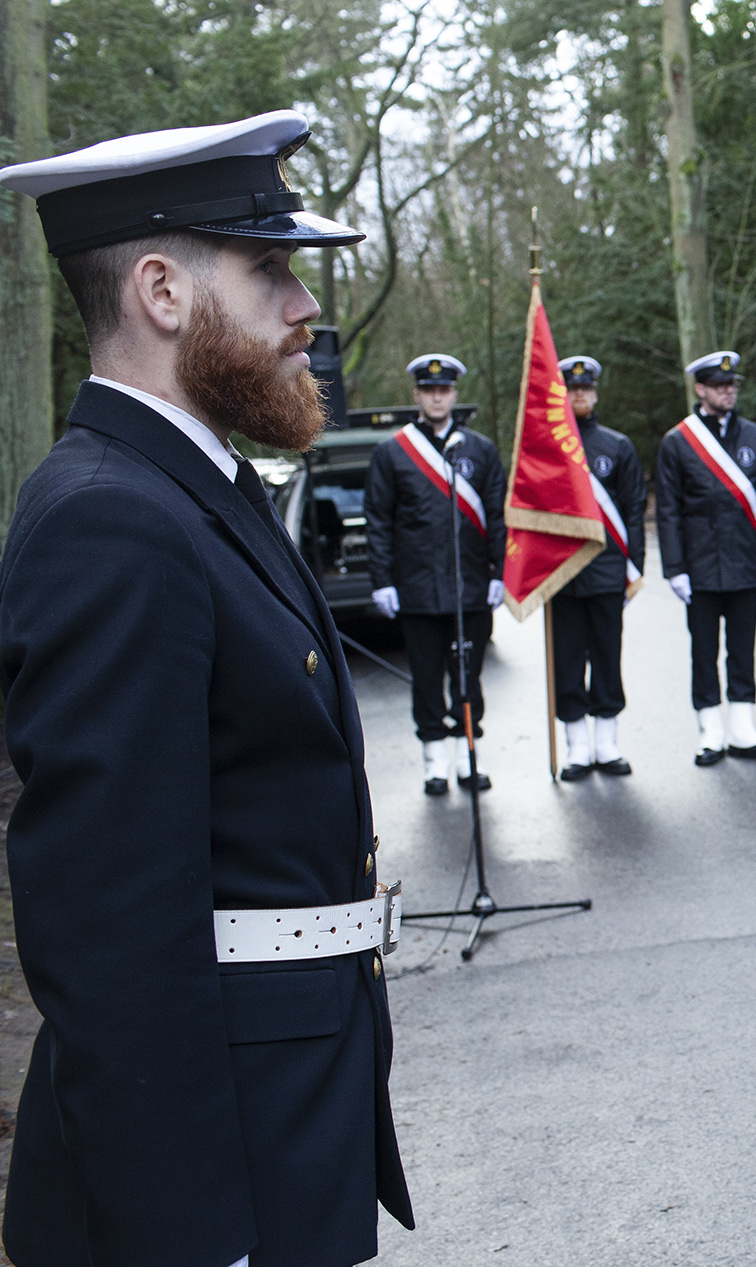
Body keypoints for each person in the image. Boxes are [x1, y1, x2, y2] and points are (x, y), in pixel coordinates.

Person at [0, 109, 413, 1266]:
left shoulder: (192, 488)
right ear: (161, 291)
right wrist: (188, 1238)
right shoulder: (112, 522)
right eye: (271, 268)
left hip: (280, 1118)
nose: (304, 307)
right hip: (207, 1179)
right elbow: (114, 931)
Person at [365, 352, 506, 794]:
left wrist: (501, 572)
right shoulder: (392, 452)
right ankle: (434, 764)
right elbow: (379, 520)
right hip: (418, 588)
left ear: (454, 394)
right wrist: (383, 580)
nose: (437, 397)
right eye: (429, 390)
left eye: (444, 389)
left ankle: (468, 757)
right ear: (417, 395)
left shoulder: (479, 449)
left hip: (471, 588)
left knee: (467, 677)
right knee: (427, 677)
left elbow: (499, 518)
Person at [656, 349, 756, 764]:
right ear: (700, 390)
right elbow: (669, 510)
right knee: (704, 650)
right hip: (699, 568)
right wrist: (674, 568)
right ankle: (710, 730)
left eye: (731, 385)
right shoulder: (678, 442)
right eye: (719, 386)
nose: (728, 392)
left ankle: (743, 728)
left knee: (742, 648)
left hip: (746, 563)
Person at [550, 354, 646, 779]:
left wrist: (633, 568)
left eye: (586, 389)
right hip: (563, 574)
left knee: (608, 656)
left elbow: (633, 512)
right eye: (573, 390)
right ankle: (576, 748)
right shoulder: (546, 449)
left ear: (595, 392)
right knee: (567, 659)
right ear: (562, 395)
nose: (580, 395)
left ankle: (607, 744)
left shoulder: (618, 445)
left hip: (607, 572)